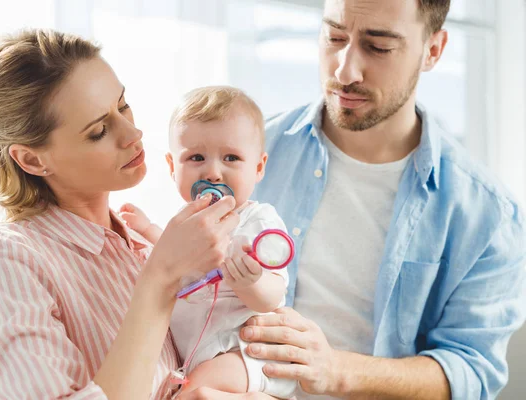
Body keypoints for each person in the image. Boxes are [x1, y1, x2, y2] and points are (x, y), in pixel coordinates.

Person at [219, 0, 526, 399]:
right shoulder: (243, 159)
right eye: (334, 37)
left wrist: (337, 370)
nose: (344, 71)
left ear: (433, 50)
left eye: (378, 47)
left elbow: (470, 371)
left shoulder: (488, 215)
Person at [0, 29, 269, 400]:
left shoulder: (141, 248)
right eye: (99, 130)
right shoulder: (7, 261)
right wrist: (159, 279)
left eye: (123, 104)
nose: (133, 133)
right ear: (33, 160)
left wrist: (279, 351)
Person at [120, 86, 296, 398]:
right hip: (200, 353)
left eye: (232, 158)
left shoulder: (259, 222)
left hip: (245, 351)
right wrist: (148, 231)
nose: (213, 172)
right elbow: (175, 256)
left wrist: (251, 281)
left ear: (258, 167)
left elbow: (272, 297)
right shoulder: (187, 220)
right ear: (173, 167)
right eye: (196, 157)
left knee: (194, 389)